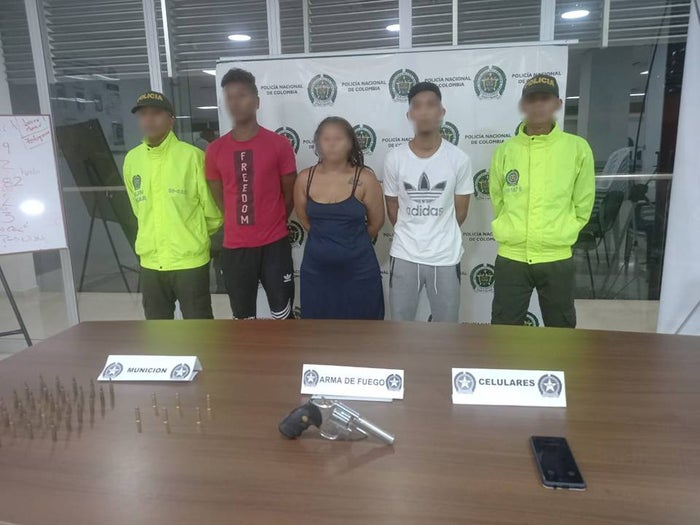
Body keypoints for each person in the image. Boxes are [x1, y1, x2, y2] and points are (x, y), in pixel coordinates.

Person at [489, 74, 595, 328]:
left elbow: (583, 203)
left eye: (544, 99)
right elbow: (498, 200)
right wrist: (513, 230)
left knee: (561, 329)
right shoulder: (505, 151)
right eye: (531, 99)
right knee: (504, 329)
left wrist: (563, 231)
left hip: (556, 257)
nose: (538, 105)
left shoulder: (577, 148)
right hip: (512, 257)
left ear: (557, 104)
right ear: (523, 105)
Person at [206, 68, 297, 319]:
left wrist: (272, 219)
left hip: (274, 245)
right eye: (230, 97)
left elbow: (289, 193)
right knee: (243, 320)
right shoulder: (215, 150)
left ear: (256, 101)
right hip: (236, 248)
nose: (235, 102)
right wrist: (240, 221)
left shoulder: (279, 145)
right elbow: (219, 197)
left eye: (242, 95)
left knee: (283, 317)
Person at [123, 91, 222, 319]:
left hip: (189, 261)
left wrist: (191, 235)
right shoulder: (132, 160)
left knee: (199, 329)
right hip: (151, 261)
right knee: (158, 331)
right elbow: (139, 209)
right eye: (143, 115)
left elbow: (213, 212)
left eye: (156, 113)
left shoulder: (193, 157)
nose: (149, 120)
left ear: (171, 120)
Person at [384, 82, 473, 323]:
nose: (424, 112)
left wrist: (437, 234)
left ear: (442, 112)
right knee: (400, 325)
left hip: (445, 256)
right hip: (405, 252)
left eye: (431, 105)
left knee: (447, 328)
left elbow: (461, 212)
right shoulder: (394, 158)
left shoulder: (459, 159)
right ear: (409, 114)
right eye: (417, 106)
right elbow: (392, 208)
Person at [294, 117, 385, 320]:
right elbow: (303, 218)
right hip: (317, 270)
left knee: (364, 329)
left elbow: (376, 222)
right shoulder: (304, 178)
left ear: (350, 143)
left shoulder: (365, 178)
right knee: (318, 329)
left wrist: (350, 242)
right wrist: (326, 241)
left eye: (338, 138)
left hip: (359, 270)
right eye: (326, 139)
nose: (332, 144)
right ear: (317, 143)